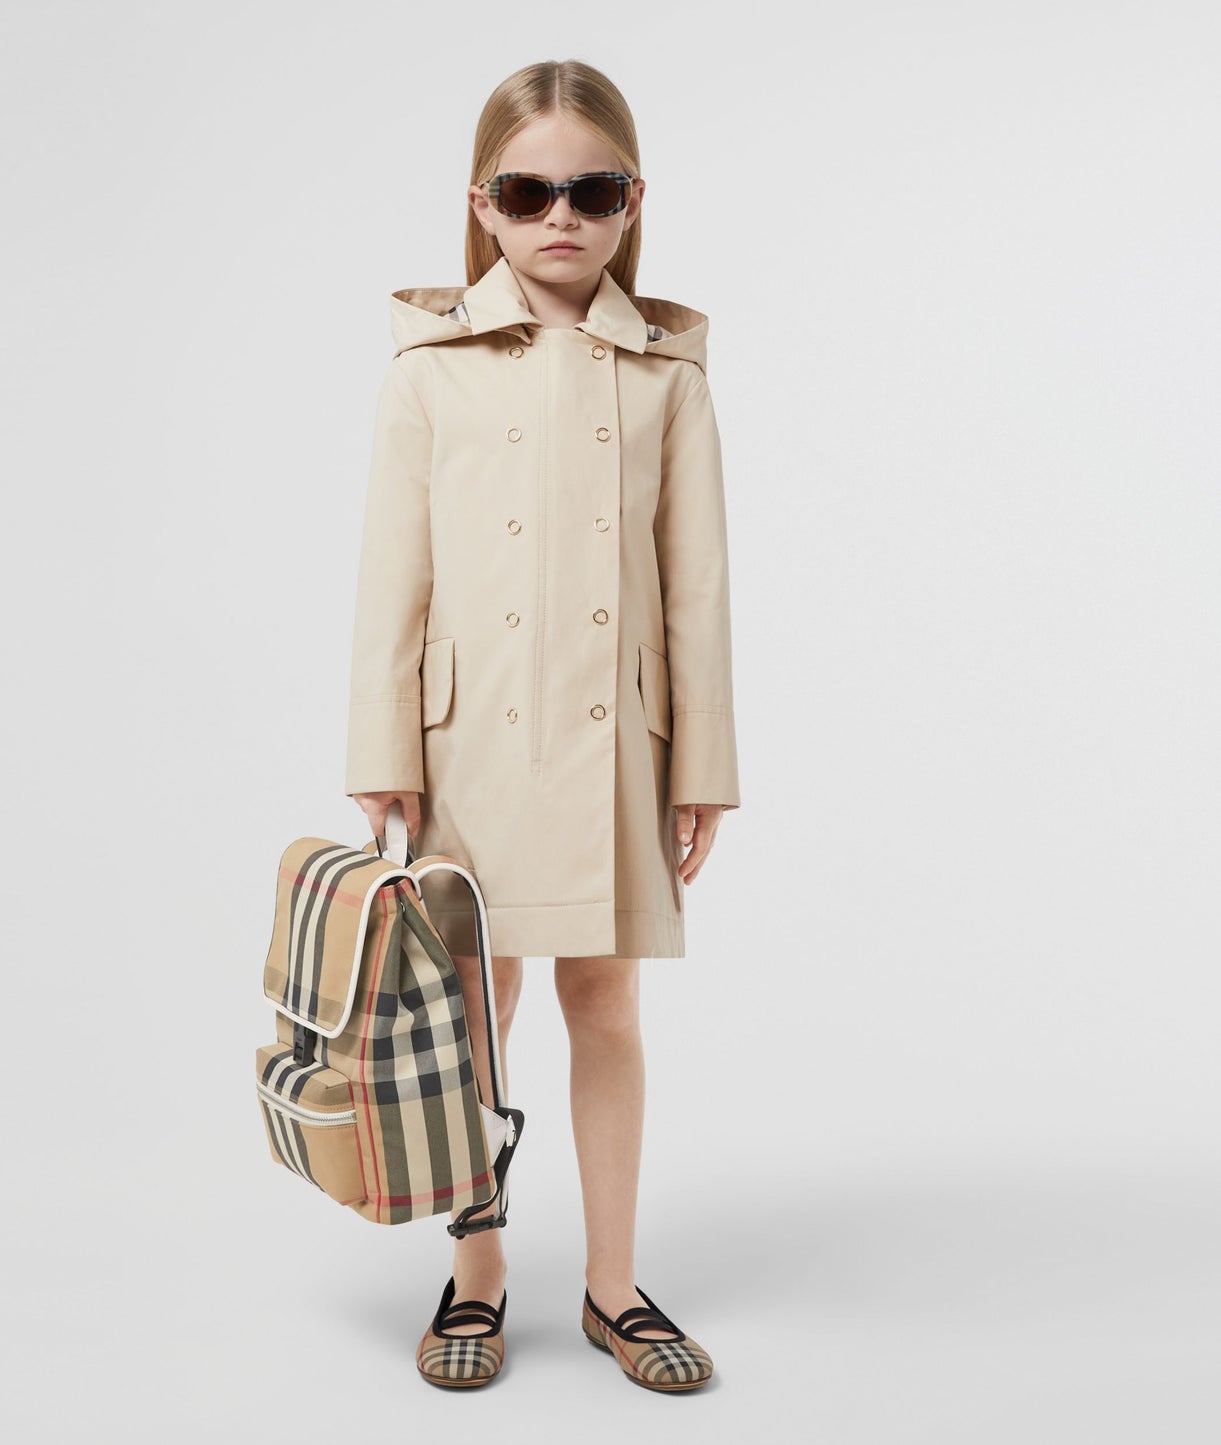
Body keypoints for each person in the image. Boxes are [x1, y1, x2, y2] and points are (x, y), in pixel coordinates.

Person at [345, 59, 741, 1391]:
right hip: (467, 744)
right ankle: (477, 1271)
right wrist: (382, 756)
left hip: (613, 739)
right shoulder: (428, 370)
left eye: (590, 190)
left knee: (604, 1000)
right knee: (474, 1006)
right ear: (483, 204)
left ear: (632, 201)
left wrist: (703, 764)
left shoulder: (667, 373)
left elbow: (695, 584)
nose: (559, 216)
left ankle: (613, 1287)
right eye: (527, 193)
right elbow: (391, 580)